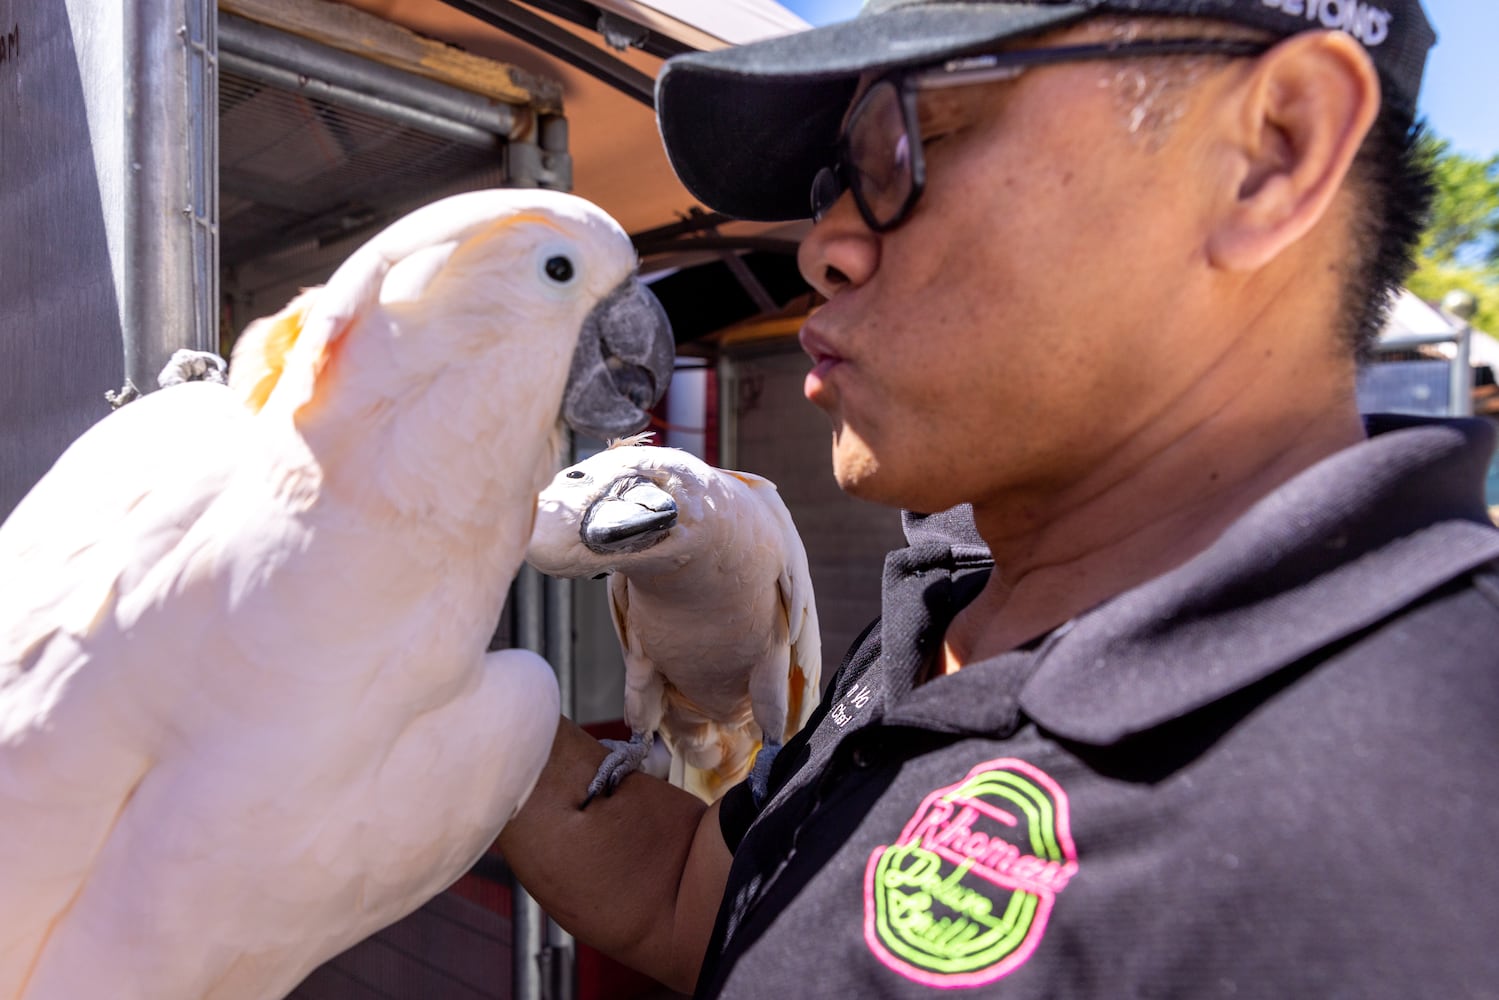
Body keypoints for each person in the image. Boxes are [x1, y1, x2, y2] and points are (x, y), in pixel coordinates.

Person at [499, 0, 1499, 995]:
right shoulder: (953, 606)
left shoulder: (1436, 815)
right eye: (825, 185)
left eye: (906, 142)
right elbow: (692, 900)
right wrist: (415, 671)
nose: (819, 248)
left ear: (1266, 154)